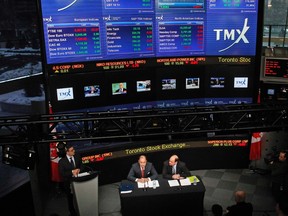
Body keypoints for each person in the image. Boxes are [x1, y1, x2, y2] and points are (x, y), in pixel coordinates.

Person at [58, 144, 83, 216]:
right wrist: (72, 171)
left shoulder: (77, 156)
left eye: (74, 149)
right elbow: (62, 173)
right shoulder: (62, 162)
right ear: (67, 152)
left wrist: (79, 170)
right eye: (72, 150)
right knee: (70, 200)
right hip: (68, 184)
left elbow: (82, 166)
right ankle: (73, 213)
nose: (74, 151)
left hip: (79, 181)